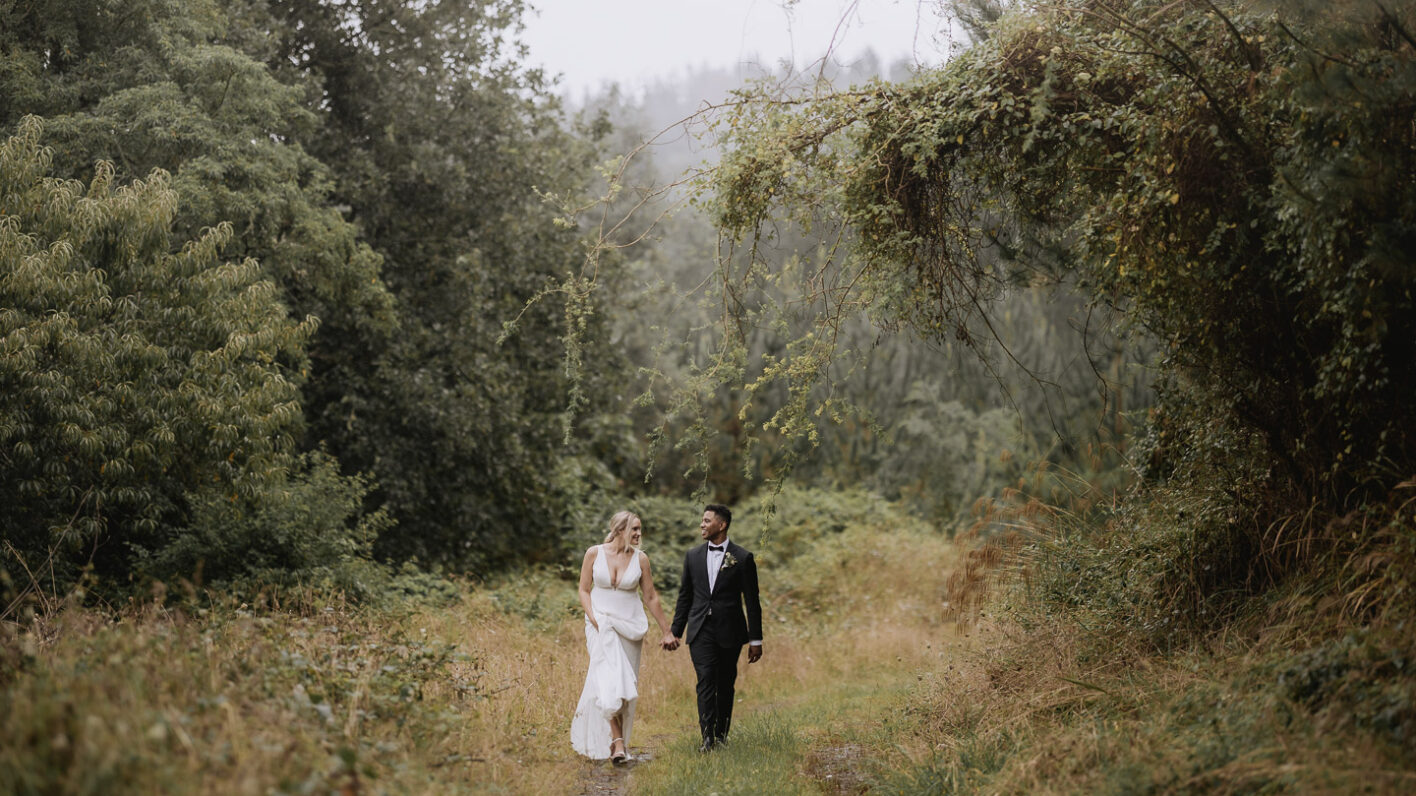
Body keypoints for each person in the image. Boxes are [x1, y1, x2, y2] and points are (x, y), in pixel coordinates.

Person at [571, 510, 678, 764]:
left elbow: (650, 596)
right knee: (604, 678)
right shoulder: (594, 553)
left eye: (640, 529)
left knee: (623, 687)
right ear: (620, 530)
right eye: (635, 529)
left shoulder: (641, 559)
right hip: (599, 624)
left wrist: (666, 630)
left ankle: (619, 742)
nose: (639, 534)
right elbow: (584, 590)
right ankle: (618, 743)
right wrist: (595, 619)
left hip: (630, 627)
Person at [669, 504, 763, 752]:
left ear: (721, 525)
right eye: (702, 520)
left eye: (707, 520)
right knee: (705, 681)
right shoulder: (692, 556)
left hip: (730, 631)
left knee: (725, 684)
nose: (702, 524)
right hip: (700, 630)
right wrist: (675, 631)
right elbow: (685, 597)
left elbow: (752, 601)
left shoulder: (742, 558)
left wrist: (756, 640)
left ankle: (721, 736)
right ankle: (707, 738)